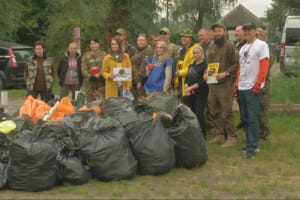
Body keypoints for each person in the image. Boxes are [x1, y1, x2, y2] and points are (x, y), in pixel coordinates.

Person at [233, 23, 270, 158]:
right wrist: (236, 85)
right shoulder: (243, 47)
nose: (247, 33)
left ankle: (253, 147)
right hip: (242, 86)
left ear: (255, 31)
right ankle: (249, 142)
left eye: (250, 30)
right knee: (245, 117)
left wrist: (258, 83)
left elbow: (264, 65)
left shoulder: (261, 45)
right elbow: (240, 68)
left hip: (253, 87)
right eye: (245, 31)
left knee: (253, 117)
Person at [204, 23, 239, 147]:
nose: (217, 33)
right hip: (212, 83)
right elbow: (209, 63)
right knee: (214, 109)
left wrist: (226, 73)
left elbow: (236, 63)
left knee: (226, 111)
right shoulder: (211, 46)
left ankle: (231, 136)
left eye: (219, 31)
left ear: (224, 32)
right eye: (215, 31)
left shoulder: (229, 45)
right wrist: (205, 74)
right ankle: (220, 134)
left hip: (225, 84)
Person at [182, 46, 209, 138]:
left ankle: (202, 133)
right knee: (190, 112)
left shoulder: (206, 65)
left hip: (201, 92)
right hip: (190, 92)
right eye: (194, 53)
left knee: (199, 112)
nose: (195, 55)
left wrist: (191, 88)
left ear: (202, 53)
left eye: (197, 53)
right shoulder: (191, 65)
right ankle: (193, 131)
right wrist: (186, 87)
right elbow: (187, 78)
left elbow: (202, 81)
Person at [256, 27, 276, 141]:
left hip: (263, 84)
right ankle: (257, 131)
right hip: (253, 83)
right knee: (255, 110)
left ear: (263, 37)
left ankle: (264, 133)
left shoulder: (268, 51)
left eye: (258, 35)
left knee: (262, 110)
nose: (256, 37)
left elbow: (265, 70)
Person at [81, 38, 106, 102]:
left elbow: (106, 67)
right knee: (91, 103)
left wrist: (100, 74)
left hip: (101, 82)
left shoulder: (104, 54)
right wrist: (90, 76)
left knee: (102, 101)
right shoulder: (86, 55)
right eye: (92, 44)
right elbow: (83, 68)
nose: (93, 45)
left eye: (95, 43)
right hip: (90, 83)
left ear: (98, 44)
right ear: (90, 45)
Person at [175, 29, 199, 97]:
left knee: (190, 105)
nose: (183, 38)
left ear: (191, 38)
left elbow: (193, 68)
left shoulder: (195, 49)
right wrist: (176, 81)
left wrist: (180, 73)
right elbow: (179, 66)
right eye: (182, 37)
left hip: (191, 83)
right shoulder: (182, 50)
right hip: (181, 82)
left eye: (186, 37)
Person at [131, 34, 153, 102]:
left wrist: (139, 81)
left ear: (147, 42)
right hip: (135, 80)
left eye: (142, 40)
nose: (140, 42)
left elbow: (144, 68)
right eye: (139, 40)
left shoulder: (147, 51)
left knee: (141, 101)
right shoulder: (138, 50)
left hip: (142, 82)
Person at [234, 25, 247, 129]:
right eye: (235, 31)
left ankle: (246, 121)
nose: (236, 33)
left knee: (245, 102)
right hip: (235, 76)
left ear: (244, 32)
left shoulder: (246, 45)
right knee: (239, 100)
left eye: (238, 31)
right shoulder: (236, 44)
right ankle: (243, 120)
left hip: (244, 77)